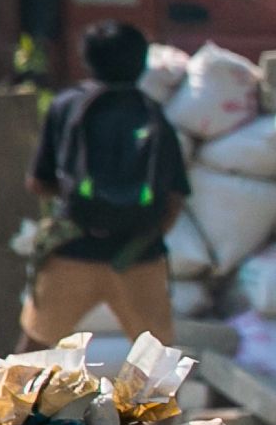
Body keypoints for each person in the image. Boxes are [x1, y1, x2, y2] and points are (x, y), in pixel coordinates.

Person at [21, 22, 188, 346]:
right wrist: (143, 232)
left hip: (72, 252)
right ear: (142, 63)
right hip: (139, 257)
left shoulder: (65, 106)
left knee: (32, 352)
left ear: (86, 60)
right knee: (156, 361)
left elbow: (38, 183)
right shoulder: (153, 114)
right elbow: (176, 195)